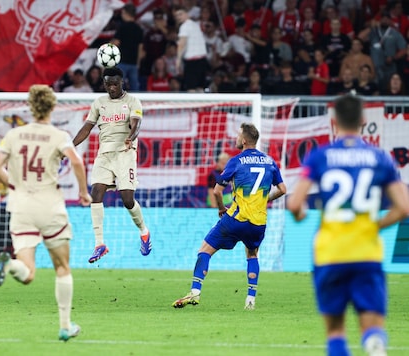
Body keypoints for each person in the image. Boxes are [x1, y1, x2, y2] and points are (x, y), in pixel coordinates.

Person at [287, 94, 409, 356]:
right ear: (363, 121)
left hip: (330, 253)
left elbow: (295, 205)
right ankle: (375, 345)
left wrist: (300, 215)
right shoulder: (380, 158)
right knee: (372, 324)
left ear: (334, 121)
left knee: (335, 331)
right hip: (366, 252)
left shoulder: (320, 157)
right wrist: (375, 226)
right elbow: (404, 208)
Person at [0, 84, 92, 342]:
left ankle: (10, 264)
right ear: (52, 107)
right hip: (49, 206)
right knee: (62, 267)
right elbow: (77, 162)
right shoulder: (59, 136)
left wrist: (13, 183)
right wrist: (83, 192)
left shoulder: (14, 135)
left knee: (27, 272)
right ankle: (65, 325)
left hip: (21, 207)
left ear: (31, 107)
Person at [172, 122, 287, 310]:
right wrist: (265, 200)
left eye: (238, 135)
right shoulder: (270, 161)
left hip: (236, 218)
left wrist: (221, 209)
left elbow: (217, 192)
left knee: (205, 250)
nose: (236, 138)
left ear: (243, 140)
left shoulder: (236, 160)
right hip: (258, 222)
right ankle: (250, 300)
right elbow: (283, 189)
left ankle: (195, 291)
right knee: (252, 254)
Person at [72, 66, 152, 263]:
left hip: (125, 153)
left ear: (121, 82)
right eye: (108, 84)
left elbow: (136, 123)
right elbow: (87, 127)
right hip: (104, 154)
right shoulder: (99, 103)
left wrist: (131, 137)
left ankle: (144, 231)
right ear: (104, 84)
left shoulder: (132, 101)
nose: (112, 87)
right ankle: (100, 244)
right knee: (96, 193)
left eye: (115, 84)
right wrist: (70, 146)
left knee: (127, 199)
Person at [174, 6, 208, 92]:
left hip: (192, 62)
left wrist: (178, 60)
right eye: (176, 15)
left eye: (180, 14)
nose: (178, 17)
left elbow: (182, 43)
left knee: (191, 88)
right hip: (202, 60)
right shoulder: (195, 25)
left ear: (187, 14)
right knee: (200, 88)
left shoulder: (185, 26)